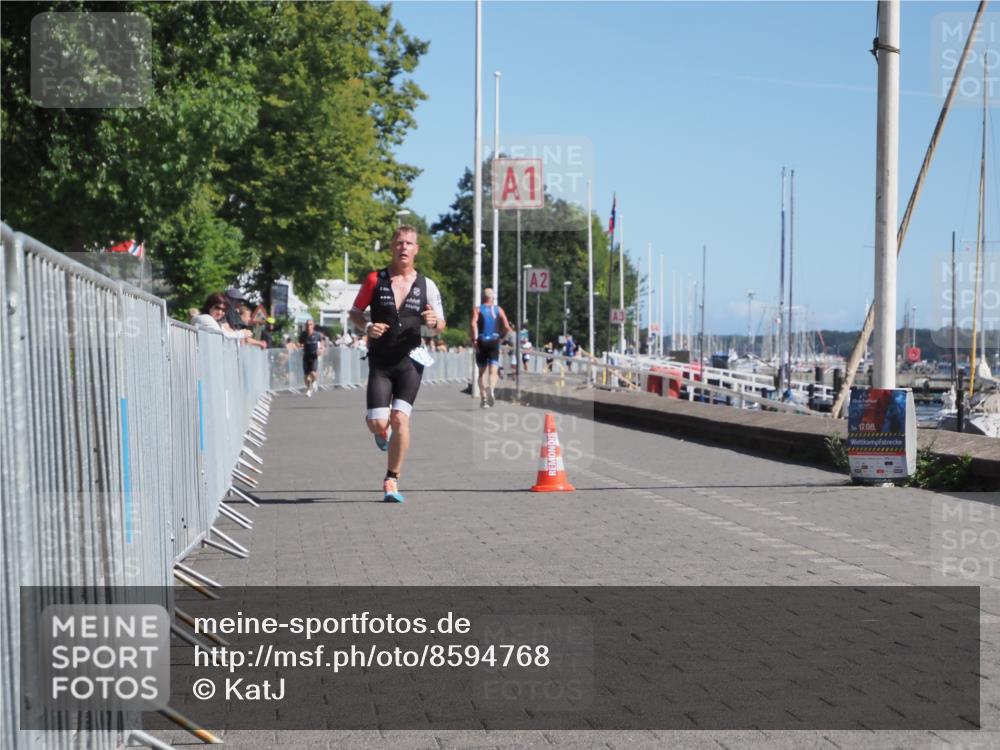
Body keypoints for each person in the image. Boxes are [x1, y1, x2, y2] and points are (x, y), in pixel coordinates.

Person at [349, 225, 445, 503]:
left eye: (409, 243)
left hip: (411, 361)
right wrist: (367, 326)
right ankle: (381, 431)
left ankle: (392, 479)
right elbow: (355, 313)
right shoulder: (373, 280)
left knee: (400, 418)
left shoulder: (427, 285)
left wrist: (433, 323)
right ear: (392, 247)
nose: (404, 247)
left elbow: (440, 324)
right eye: (399, 243)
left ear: (417, 250)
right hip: (381, 360)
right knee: (378, 422)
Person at [470, 288, 511, 408]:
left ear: (482, 297)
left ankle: (483, 399)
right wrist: (501, 338)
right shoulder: (498, 309)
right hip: (494, 340)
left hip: (482, 340)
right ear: (493, 298)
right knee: (494, 370)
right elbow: (507, 327)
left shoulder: (477, 309)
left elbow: (473, 324)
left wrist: (474, 340)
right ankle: (491, 389)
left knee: (482, 372)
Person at [298, 319, 324, 397]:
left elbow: (322, 344)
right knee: (306, 377)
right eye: (307, 325)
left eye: (310, 324)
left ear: (313, 325)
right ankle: (309, 388)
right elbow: (300, 343)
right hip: (306, 356)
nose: (308, 326)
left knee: (312, 373)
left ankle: (313, 384)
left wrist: (321, 350)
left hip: (314, 356)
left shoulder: (317, 335)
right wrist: (298, 345)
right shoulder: (303, 335)